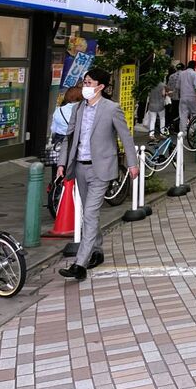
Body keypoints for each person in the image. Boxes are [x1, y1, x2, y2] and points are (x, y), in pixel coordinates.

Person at [57, 67, 138, 281]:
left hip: (101, 168)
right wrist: (62, 163)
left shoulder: (111, 109)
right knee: (88, 212)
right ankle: (97, 250)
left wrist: (132, 164)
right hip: (80, 167)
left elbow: (126, 137)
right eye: (84, 82)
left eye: (89, 83)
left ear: (100, 86)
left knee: (91, 213)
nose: (85, 87)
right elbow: (68, 138)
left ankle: (80, 264)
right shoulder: (78, 109)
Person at [176, 59, 196, 131]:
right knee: (194, 114)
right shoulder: (195, 74)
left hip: (183, 97)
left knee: (183, 116)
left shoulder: (181, 74)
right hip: (193, 97)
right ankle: (192, 132)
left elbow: (177, 86)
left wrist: (179, 95)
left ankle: (182, 133)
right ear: (194, 66)